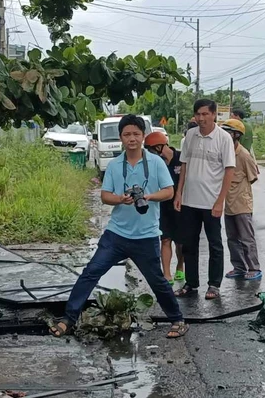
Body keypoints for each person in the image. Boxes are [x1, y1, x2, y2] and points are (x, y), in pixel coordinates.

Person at [50, 115, 187, 339]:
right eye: (127, 134)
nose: (131, 139)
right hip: (117, 234)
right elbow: (105, 196)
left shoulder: (156, 162)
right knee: (90, 273)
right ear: (121, 137)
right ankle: (69, 318)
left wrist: (149, 196)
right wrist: (120, 199)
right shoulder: (115, 165)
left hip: (146, 235)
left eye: (136, 134)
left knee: (157, 281)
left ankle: (177, 320)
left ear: (143, 136)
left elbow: (169, 192)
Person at [174, 99, 236, 300]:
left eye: (205, 114)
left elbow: (229, 171)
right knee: (188, 244)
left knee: (215, 245)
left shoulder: (224, 138)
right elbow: (183, 165)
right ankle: (191, 284)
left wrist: (220, 201)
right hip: (189, 201)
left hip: (211, 203)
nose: (201, 118)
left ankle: (214, 285)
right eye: (198, 114)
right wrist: (178, 193)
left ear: (214, 115)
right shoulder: (190, 136)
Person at [220, 119, 262, 281]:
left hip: (242, 204)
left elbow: (252, 177)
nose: (225, 135)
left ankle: (253, 267)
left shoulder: (244, 155)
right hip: (228, 204)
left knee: (246, 238)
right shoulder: (225, 153)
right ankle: (239, 267)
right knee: (232, 239)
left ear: (237, 135)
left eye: (228, 132)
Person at [145, 130, 185, 284]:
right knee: (165, 239)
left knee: (180, 241)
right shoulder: (155, 163)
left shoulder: (181, 158)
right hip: (162, 205)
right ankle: (167, 274)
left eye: (151, 150)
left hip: (181, 205)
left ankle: (180, 267)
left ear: (159, 146)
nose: (150, 153)